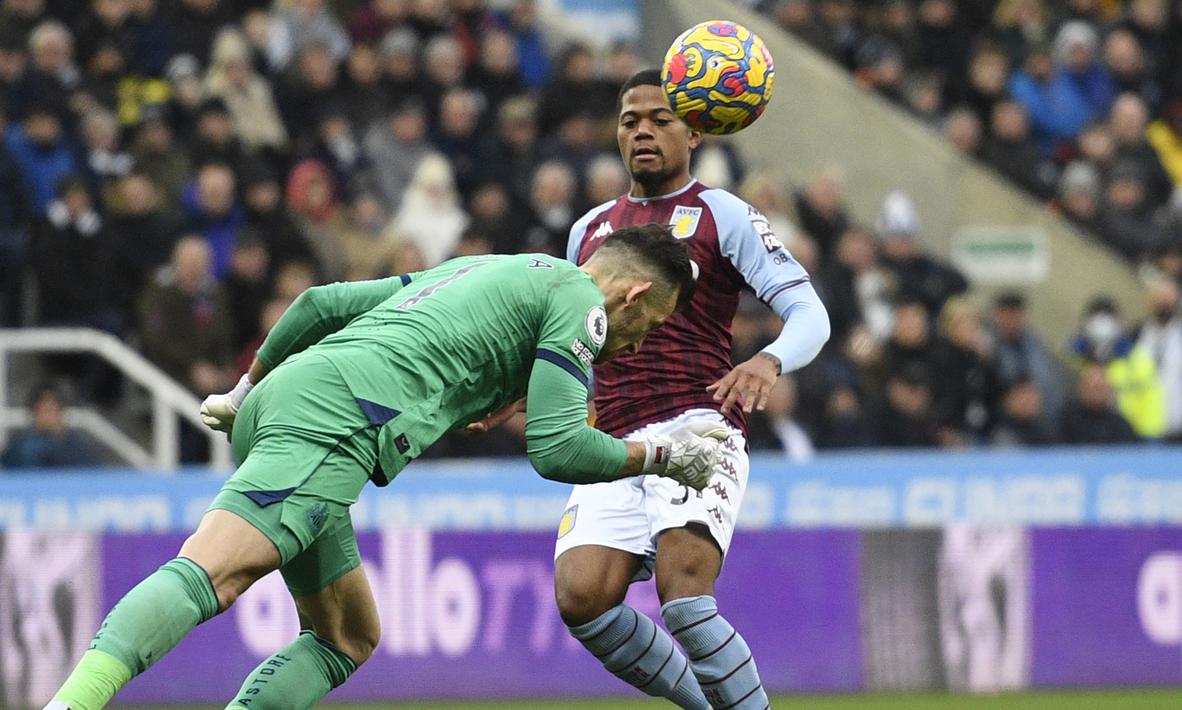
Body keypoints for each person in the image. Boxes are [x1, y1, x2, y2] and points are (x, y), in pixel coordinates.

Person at [44, 225, 728, 710]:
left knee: (346, 636)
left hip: (289, 395)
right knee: (214, 572)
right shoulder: (582, 307)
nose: (641, 346)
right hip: (338, 421)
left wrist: (243, 390)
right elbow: (557, 449)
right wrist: (664, 456)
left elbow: (318, 304)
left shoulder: (498, 267)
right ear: (635, 294)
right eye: (656, 324)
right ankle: (74, 702)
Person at [545, 70, 830, 710]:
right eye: (629, 120)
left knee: (685, 598)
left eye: (660, 119)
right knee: (581, 598)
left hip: (696, 426)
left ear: (695, 130)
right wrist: (538, 389)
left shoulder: (722, 214)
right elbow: (573, 334)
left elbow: (812, 314)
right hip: (613, 438)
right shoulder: (588, 229)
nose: (642, 130)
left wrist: (769, 361)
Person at [1, 383, 101, 469]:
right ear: (35, 413)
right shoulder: (23, 448)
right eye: (45, 411)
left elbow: (93, 473)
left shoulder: (75, 445)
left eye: (55, 410)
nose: (50, 416)